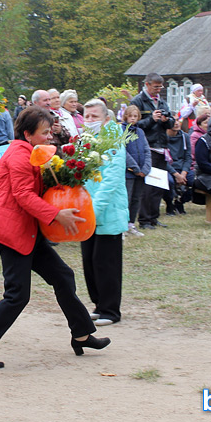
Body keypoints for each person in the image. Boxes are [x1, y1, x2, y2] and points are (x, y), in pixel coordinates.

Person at [0, 107, 109, 369]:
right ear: (27, 133)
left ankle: (82, 334)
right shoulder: (19, 155)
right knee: (17, 295)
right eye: (44, 133)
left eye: (49, 132)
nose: (49, 137)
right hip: (11, 232)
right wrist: (56, 214)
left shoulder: (31, 152)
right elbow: (23, 196)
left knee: (63, 276)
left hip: (27, 230)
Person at [80, 100, 127, 326]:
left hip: (107, 211)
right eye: (86, 116)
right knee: (89, 259)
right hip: (85, 210)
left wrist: (95, 210)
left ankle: (110, 309)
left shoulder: (115, 140)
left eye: (94, 116)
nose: (90, 120)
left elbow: (111, 179)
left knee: (105, 261)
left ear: (106, 118)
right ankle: (99, 304)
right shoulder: (84, 140)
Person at [129, 73, 174, 230]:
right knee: (147, 186)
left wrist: (167, 120)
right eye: (156, 87)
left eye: (161, 87)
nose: (158, 90)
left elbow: (172, 123)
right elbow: (133, 125)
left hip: (162, 147)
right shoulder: (137, 101)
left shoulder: (162, 102)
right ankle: (145, 219)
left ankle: (154, 217)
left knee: (159, 185)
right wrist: (151, 119)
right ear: (147, 85)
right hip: (147, 148)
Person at [123, 105, 150, 237]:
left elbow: (146, 150)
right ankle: (122, 225)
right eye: (130, 116)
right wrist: (135, 168)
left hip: (141, 173)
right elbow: (124, 151)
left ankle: (131, 224)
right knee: (126, 198)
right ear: (126, 116)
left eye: (135, 116)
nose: (133, 119)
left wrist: (146, 168)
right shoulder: (122, 130)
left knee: (136, 198)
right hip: (128, 172)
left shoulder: (140, 132)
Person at [165, 117, 193, 216]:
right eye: (173, 121)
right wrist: (176, 175)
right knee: (169, 181)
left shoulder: (185, 137)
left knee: (198, 181)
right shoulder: (161, 137)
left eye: (177, 120)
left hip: (182, 169)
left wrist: (184, 173)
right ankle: (170, 205)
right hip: (168, 169)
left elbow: (188, 157)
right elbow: (162, 160)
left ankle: (180, 201)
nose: (176, 123)